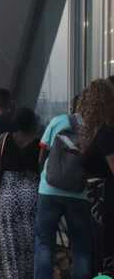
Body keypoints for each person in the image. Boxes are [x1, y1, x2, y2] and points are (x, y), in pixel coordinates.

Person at [34, 95, 93, 279]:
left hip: (49, 190)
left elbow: (42, 155)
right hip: (79, 193)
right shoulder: (94, 128)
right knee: (81, 245)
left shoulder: (59, 121)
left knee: (44, 242)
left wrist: (45, 175)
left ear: (73, 107)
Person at [0, 107, 40, 278]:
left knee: (7, 239)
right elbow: (42, 167)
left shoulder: (4, 138)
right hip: (31, 192)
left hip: (8, 193)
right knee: (29, 238)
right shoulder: (39, 141)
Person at [78, 77, 114, 276]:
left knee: (101, 252)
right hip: (101, 197)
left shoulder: (100, 132)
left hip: (99, 199)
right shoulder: (104, 132)